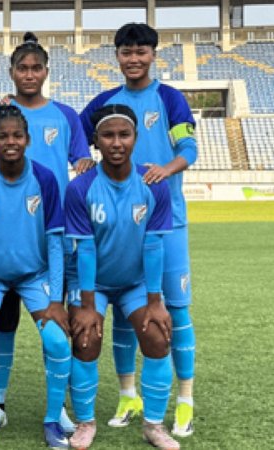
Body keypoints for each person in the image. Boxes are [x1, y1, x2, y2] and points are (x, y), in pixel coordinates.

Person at [0, 32, 93, 433]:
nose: (29, 74)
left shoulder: (66, 115)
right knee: (1, 325)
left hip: (50, 238)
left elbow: (83, 164)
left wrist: (85, 168)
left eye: (36, 67)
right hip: (1, 240)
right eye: (22, 68)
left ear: (46, 72)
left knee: (56, 325)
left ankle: (59, 408)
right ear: (11, 72)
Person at [80, 23, 197, 437]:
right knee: (125, 309)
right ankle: (128, 395)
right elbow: (76, 134)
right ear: (117, 56)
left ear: (153, 55)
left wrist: (166, 168)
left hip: (167, 222)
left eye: (141, 52)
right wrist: (81, 159)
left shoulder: (170, 98)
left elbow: (189, 148)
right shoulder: (104, 101)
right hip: (118, 224)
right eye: (126, 52)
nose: (134, 59)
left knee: (174, 311)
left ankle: (185, 400)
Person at [65, 104, 178, 450]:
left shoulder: (153, 184)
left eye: (124, 135)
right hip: (92, 284)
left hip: (135, 283)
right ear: (96, 140)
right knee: (85, 339)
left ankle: (153, 425)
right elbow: (85, 250)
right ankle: (85, 423)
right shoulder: (80, 187)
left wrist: (155, 301)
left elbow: (154, 246)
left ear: (135, 137)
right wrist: (86, 306)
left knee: (158, 336)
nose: (116, 143)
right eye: (108, 135)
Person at [0, 105, 71, 449]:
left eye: (17, 135)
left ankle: (52, 420)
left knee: (57, 341)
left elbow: (55, 241)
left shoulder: (44, 178)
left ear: (28, 139)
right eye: (3, 136)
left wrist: (56, 300)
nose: (11, 142)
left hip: (35, 275)